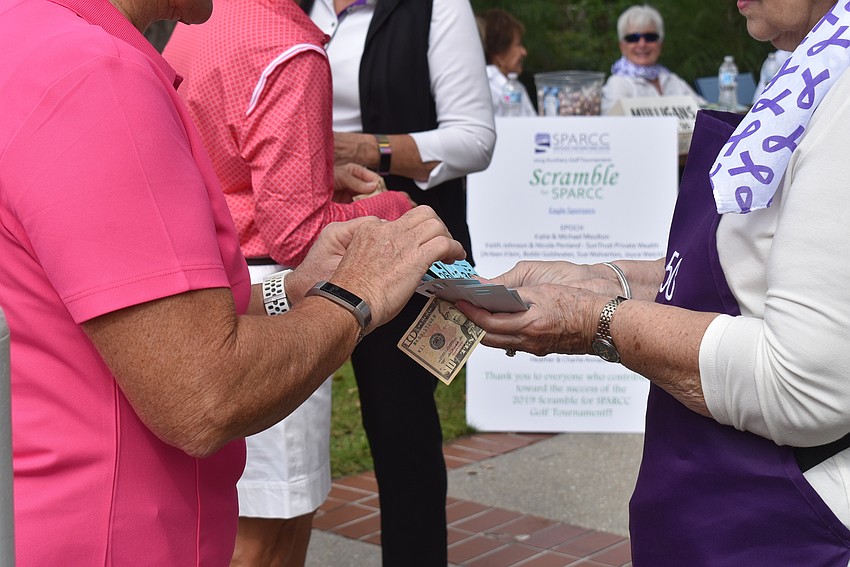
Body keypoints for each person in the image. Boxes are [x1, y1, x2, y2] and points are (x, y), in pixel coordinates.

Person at [0, 0, 466, 564]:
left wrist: (289, 293)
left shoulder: (27, 31)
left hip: (45, 501)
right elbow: (203, 396)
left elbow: (125, 307)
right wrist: (356, 295)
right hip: (120, 533)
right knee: (276, 533)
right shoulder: (98, 73)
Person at [458, 0, 850, 564]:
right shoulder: (813, 67)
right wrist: (598, 278)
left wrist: (590, 321)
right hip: (722, 503)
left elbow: (802, 383)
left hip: (788, 518)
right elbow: (752, 275)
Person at [162, 2, 415, 564]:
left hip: (206, 273)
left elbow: (223, 148)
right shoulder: (289, 48)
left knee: (231, 517)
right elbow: (298, 234)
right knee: (273, 530)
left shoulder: (206, 17)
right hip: (275, 291)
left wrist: (315, 171)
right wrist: (394, 209)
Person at [299, 0, 496, 564]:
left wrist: (368, 147)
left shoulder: (434, 7)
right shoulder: (287, 10)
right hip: (296, 241)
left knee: (399, 429)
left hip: (398, 246)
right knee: (280, 437)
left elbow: (475, 138)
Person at [601, 4, 704, 114]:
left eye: (650, 37)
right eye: (633, 38)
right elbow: (613, 123)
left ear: (660, 44)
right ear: (622, 46)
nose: (642, 44)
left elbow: (706, 111)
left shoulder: (673, 80)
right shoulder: (618, 83)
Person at [477, 8, 537, 117]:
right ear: (499, 54)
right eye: (518, 45)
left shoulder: (516, 86)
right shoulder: (483, 87)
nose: (524, 52)